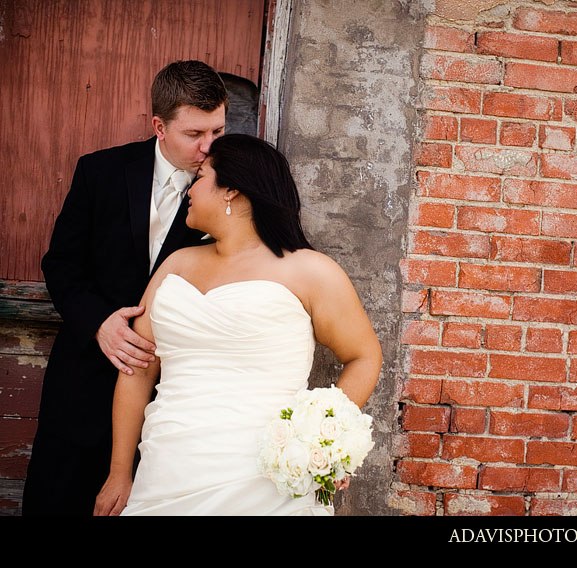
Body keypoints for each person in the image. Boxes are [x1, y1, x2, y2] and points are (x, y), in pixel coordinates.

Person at [93, 134, 382, 516]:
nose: (190, 190)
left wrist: (322, 439)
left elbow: (364, 356)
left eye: (200, 177)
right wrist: (119, 472)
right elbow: (138, 370)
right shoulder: (175, 265)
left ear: (231, 189)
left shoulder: (311, 271)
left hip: (263, 481)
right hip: (166, 469)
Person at [22, 60, 228, 516]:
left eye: (218, 131)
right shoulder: (100, 171)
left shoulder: (231, 188)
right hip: (83, 380)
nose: (209, 146)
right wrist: (100, 323)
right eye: (195, 133)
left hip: (171, 398)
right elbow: (61, 264)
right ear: (159, 126)